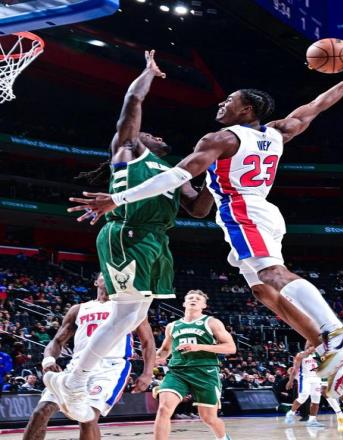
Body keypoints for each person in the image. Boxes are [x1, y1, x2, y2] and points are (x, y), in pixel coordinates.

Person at [69, 49, 343, 385]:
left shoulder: (220, 139)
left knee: (271, 273)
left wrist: (116, 199)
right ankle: (322, 345)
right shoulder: (279, 132)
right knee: (262, 290)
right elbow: (317, 105)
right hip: (261, 210)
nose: (222, 104)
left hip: (241, 210)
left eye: (229, 101)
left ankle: (334, 331)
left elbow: (179, 174)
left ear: (247, 109)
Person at [44, 50, 213, 422]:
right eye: (149, 132)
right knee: (125, 313)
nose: (153, 134)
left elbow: (199, 210)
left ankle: (74, 379)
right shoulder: (128, 150)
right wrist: (148, 73)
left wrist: (217, 180)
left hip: (156, 241)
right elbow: (133, 100)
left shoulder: (175, 172)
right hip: (128, 233)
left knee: (133, 314)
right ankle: (74, 379)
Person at [25, 273, 155, 440]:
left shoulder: (129, 309)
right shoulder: (78, 309)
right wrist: (49, 359)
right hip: (77, 366)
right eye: (105, 274)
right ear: (96, 282)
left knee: (88, 417)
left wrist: (147, 373)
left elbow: (148, 342)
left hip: (110, 367)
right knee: (40, 411)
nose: (110, 277)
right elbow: (57, 341)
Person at [154, 289, 235, 440]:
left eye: (198, 299)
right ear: (184, 303)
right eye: (190, 298)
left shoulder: (211, 322)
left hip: (205, 371)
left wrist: (199, 347)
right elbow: (165, 350)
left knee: (208, 418)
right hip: (177, 371)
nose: (193, 300)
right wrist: (153, 358)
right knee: (164, 409)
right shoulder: (172, 326)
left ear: (204, 305)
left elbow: (231, 348)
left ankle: (223, 438)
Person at [284, 345, 324, 427]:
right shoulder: (300, 355)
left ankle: (312, 420)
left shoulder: (319, 354)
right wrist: (290, 381)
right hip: (305, 378)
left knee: (316, 399)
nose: (316, 348)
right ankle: (290, 413)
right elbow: (295, 369)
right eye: (314, 346)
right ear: (309, 347)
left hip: (317, 378)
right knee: (303, 396)